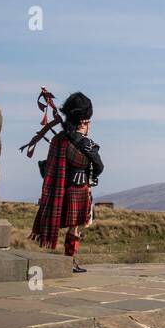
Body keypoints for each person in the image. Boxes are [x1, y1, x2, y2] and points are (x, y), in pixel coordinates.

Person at [30, 92, 104, 274]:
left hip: (61, 189)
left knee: (75, 227)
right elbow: (100, 166)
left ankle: (69, 261)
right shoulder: (86, 144)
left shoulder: (58, 140)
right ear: (84, 122)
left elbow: (48, 167)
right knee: (75, 228)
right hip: (79, 190)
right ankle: (70, 260)